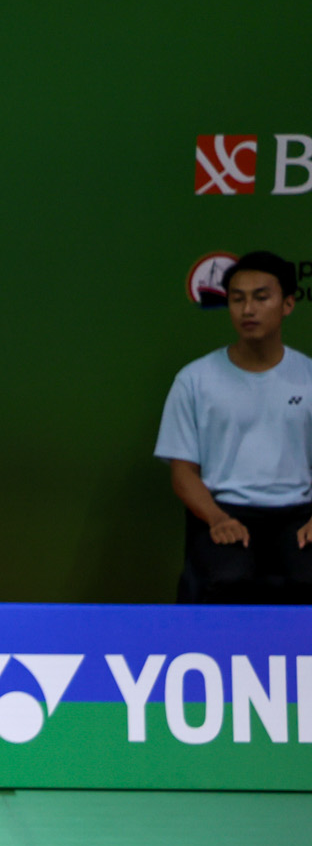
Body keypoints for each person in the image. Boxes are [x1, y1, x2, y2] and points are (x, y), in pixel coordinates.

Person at [155, 250, 312, 604]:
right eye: (237, 299)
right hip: (223, 508)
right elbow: (183, 473)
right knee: (225, 579)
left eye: (261, 297)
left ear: (288, 304)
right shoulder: (194, 380)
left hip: (298, 513)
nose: (248, 309)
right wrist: (216, 518)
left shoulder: (308, 377)